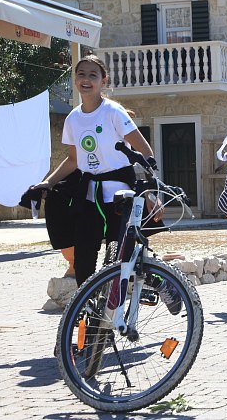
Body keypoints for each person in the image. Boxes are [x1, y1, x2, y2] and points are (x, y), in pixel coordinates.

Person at [32, 54, 155, 285]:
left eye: (92, 75)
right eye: (81, 74)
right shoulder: (73, 119)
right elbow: (72, 160)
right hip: (90, 197)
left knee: (119, 259)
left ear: (103, 81)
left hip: (121, 197)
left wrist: (150, 190)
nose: (86, 79)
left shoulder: (113, 112)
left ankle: (156, 284)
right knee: (84, 259)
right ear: (75, 79)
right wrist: (48, 182)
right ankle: (89, 313)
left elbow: (145, 151)